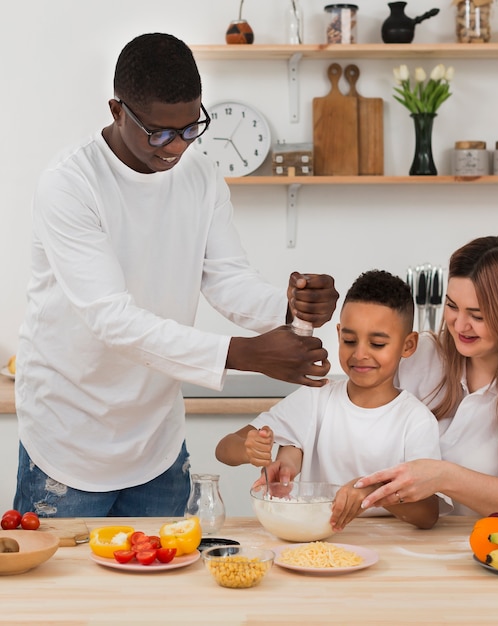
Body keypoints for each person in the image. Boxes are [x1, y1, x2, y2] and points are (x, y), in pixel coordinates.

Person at [13, 33, 338, 518]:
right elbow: (112, 320)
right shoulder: (71, 184)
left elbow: (227, 280)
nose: (178, 147)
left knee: (169, 590)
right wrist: (243, 354)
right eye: (160, 133)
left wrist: (290, 307)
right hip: (69, 440)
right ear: (117, 110)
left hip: (156, 441)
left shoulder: (200, 177)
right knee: (66, 594)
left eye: (191, 128)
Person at [354, 235, 498, 518]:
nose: (460, 325)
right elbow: (343, 408)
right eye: (452, 306)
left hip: (496, 549)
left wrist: (444, 477)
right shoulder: (419, 354)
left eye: (477, 315)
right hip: (403, 540)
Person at [216, 269, 443, 531]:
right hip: (318, 544)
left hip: (389, 549)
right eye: (349, 340)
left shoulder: (416, 421)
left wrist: (373, 491)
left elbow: (427, 514)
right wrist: (248, 449)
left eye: (377, 344)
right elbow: (224, 449)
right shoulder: (315, 399)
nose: (360, 354)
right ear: (338, 334)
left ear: (408, 345)